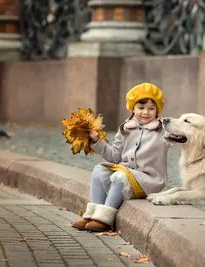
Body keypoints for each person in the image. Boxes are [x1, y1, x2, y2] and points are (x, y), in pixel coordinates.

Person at [72, 82, 171, 232]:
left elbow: (176, 136)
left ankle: (104, 218)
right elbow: (114, 156)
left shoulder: (162, 129)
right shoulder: (126, 128)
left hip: (149, 180)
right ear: (133, 108)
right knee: (99, 170)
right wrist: (97, 141)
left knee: (120, 176)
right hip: (126, 173)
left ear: (157, 110)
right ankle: (92, 214)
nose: (146, 112)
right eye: (141, 108)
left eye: (151, 108)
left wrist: (179, 132)